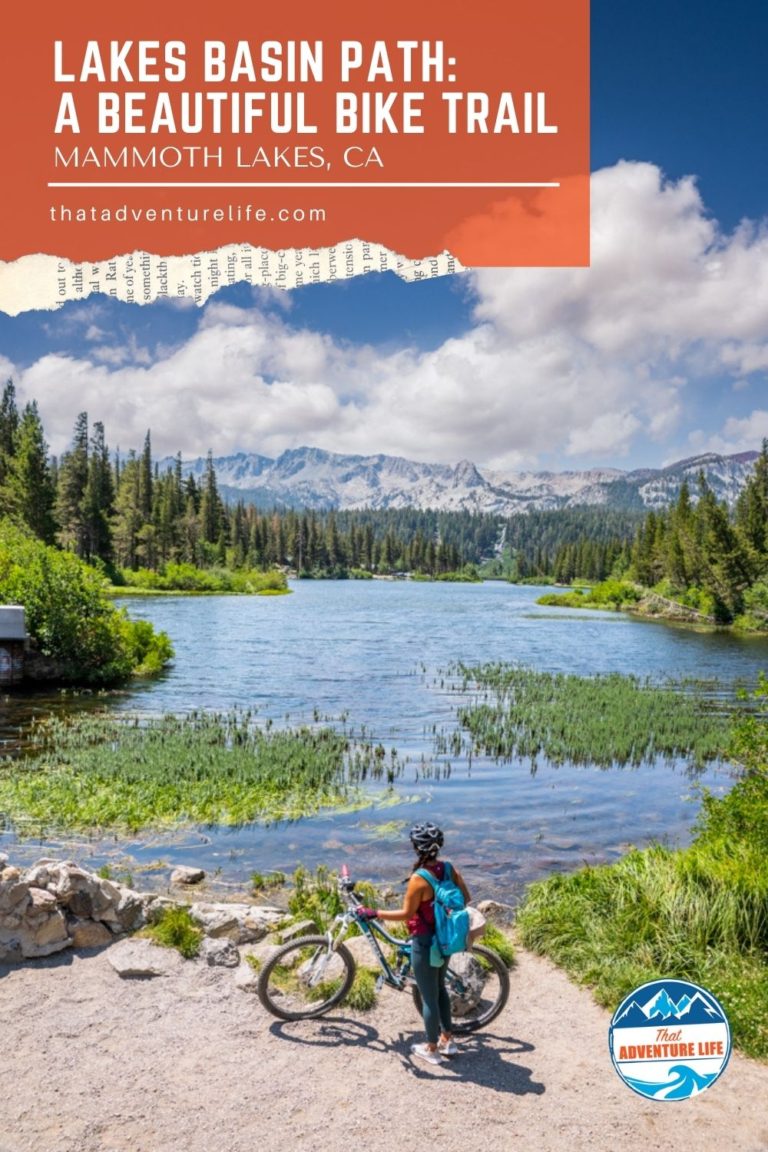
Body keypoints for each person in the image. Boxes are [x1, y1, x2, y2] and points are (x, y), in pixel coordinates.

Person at [358, 821, 471, 1066]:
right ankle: (448, 1040)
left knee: (428, 996)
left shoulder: (419, 879)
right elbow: (467, 898)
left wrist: (375, 912)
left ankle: (432, 1049)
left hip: (425, 942)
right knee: (440, 988)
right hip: (445, 941)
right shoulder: (449, 869)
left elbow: (406, 914)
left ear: (416, 848)